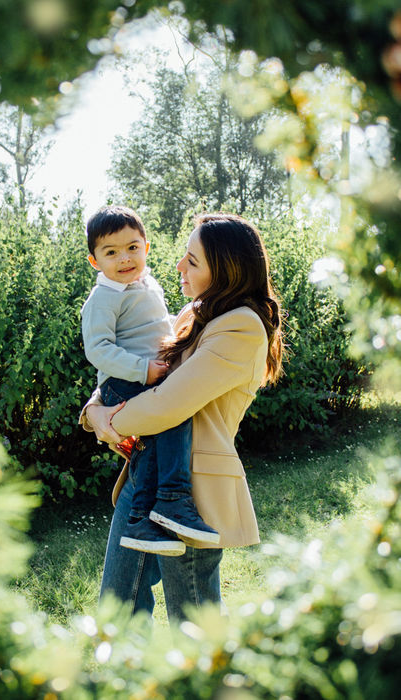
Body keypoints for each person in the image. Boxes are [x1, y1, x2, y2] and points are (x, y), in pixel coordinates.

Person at [80, 212, 284, 620]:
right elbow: (139, 368)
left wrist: (106, 423)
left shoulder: (241, 326)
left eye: (191, 260)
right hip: (145, 475)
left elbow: (167, 403)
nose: (178, 266)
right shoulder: (193, 315)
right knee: (119, 608)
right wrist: (93, 411)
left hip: (191, 489)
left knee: (192, 620)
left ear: (225, 270)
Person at [81, 205, 220, 557]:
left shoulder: (145, 283)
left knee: (157, 438)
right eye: (111, 253)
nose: (124, 258)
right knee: (173, 414)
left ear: (146, 247)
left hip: (144, 376)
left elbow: (156, 327)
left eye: (132, 248)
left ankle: (147, 516)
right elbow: (98, 349)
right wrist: (143, 369)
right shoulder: (104, 297)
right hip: (123, 380)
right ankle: (169, 500)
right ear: (94, 261)